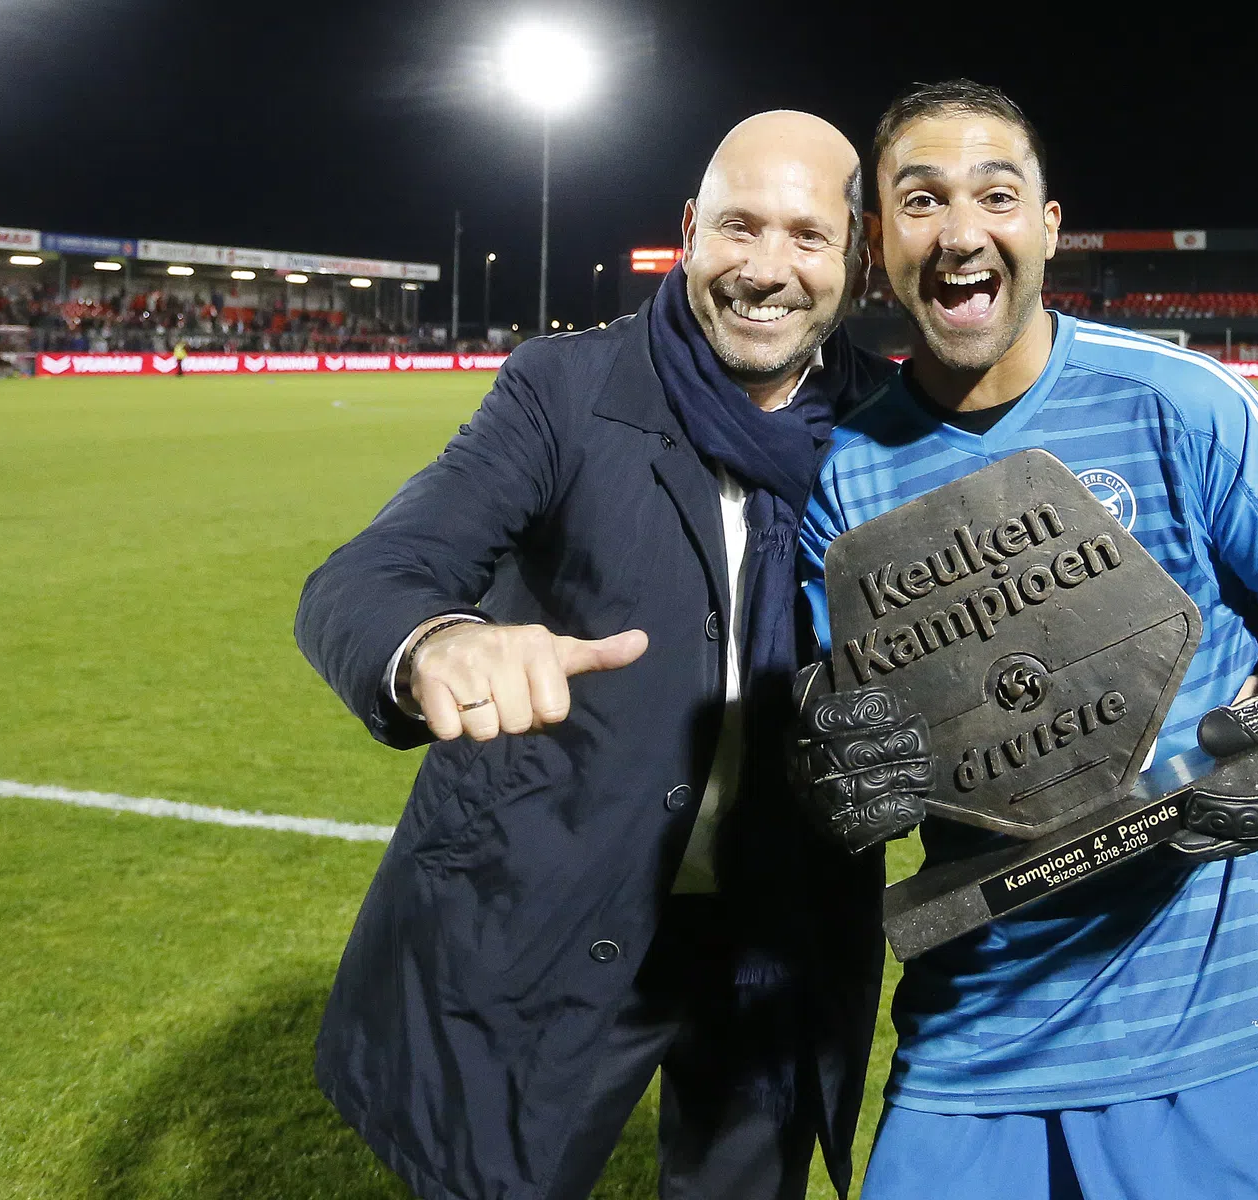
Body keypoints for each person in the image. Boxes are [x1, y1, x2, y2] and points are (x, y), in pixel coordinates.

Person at [795, 81, 1258, 1200]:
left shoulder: (1182, 400)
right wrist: (830, 758)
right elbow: (844, 720)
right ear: (876, 243)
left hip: (1224, 1025)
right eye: (920, 202)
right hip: (971, 1036)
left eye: (996, 194)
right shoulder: (841, 477)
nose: (962, 232)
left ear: (1047, 227)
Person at [294, 111, 893, 1200]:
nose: (766, 269)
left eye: (807, 237)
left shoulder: (894, 428)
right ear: (687, 231)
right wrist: (439, 642)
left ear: (858, 260)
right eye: (737, 227)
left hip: (779, 936)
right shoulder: (563, 389)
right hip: (551, 921)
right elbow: (367, 576)